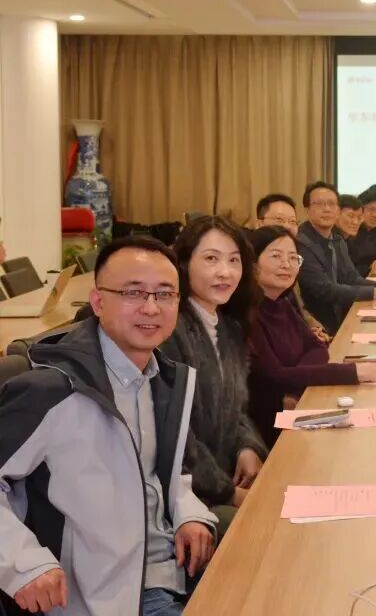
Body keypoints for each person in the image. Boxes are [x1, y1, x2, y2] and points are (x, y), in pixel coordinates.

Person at [0, 236, 217, 616]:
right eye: (133, 293)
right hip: (106, 596)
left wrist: (189, 511)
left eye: (165, 294)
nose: (151, 307)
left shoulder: (164, 378)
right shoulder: (52, 391)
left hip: (172, 570)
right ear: (98, 302)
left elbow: (158, 472)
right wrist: (24, 564)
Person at [160, 217, 268, 533]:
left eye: (234, 260)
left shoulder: (230, 327)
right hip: (187, 498)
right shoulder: (170, 330)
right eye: (211, 259)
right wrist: (227, 492)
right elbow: (175, 435)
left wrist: (248, 446)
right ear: (183, 264)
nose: (225, 272)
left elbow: (237, 407)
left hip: (224, 478)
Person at [246, 227, 376, 448]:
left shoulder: (281, 303)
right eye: (276, 256)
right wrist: (351, 372)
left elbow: (317, 348)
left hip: (296, 405)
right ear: (252, 263)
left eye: (293, 258)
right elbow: (273, 376)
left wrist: (294, 384)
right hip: (267, 430)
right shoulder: (247, 313)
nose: (286, 264)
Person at [297, 181, 376, 334]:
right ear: (307, 209)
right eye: (319, 204)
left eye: (331, 204)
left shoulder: (337, 240)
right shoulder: (301, 243)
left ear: (337, 210)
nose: (326, 209)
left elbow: (351, 278)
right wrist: (374, 292)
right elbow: (324, 289)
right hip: (318, 328)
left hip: (340, 317)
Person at [254, 193, 329, 342]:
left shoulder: (292, 255)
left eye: (292, 221)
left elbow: (298, 308)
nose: (287, 226)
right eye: (279, 220)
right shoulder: (252, 258)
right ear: (259, 224)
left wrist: (314, 329)